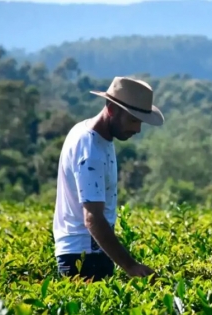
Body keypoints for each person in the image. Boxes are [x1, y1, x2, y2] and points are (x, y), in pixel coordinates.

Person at [53, 76, 164, 282]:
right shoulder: (90, 149)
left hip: (91, 253)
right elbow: (92, 218)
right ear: (111, 109)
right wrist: (130, 265)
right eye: (132, 120)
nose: (137, 129)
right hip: (84, 258)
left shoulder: (91, 134)